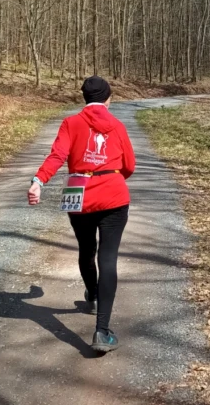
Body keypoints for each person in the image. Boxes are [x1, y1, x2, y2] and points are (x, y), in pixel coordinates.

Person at [27, 76, 136, 353]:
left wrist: (38, 182)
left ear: (84, 98)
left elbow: (56, 155)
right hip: (113, 195)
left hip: (79, 194)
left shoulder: (70, 123)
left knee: (87, 249)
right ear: (108, 99)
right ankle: (102, 331)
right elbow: (130, 166)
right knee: (108, 259)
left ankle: (93, 293)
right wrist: (111, 177)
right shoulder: (118, 126)